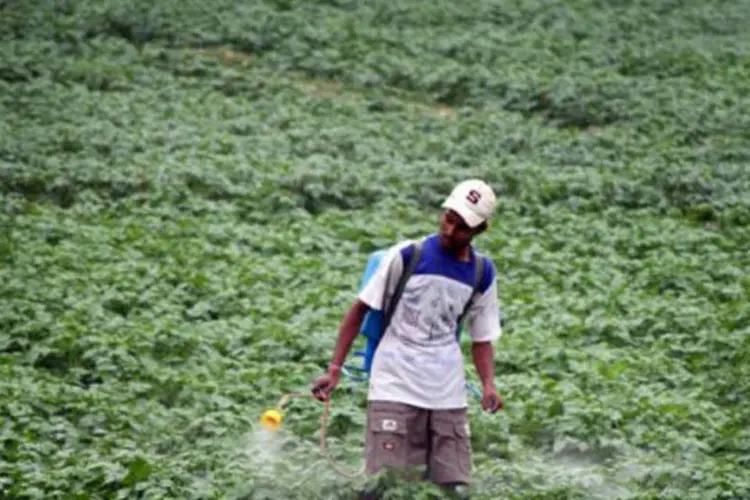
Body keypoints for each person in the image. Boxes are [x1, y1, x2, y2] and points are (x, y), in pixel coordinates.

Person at [311, 179, 503, 496]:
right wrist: (334, 370)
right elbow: (358, 310)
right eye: (448, 219)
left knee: (451, 486)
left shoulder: (482, 272)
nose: (451, 230)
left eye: (462, 227)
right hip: (394, 382)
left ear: (479, 230)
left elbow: (481, 338)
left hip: (447, 391)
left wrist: (488, 385)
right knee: (388, 483)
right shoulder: (407, 256)